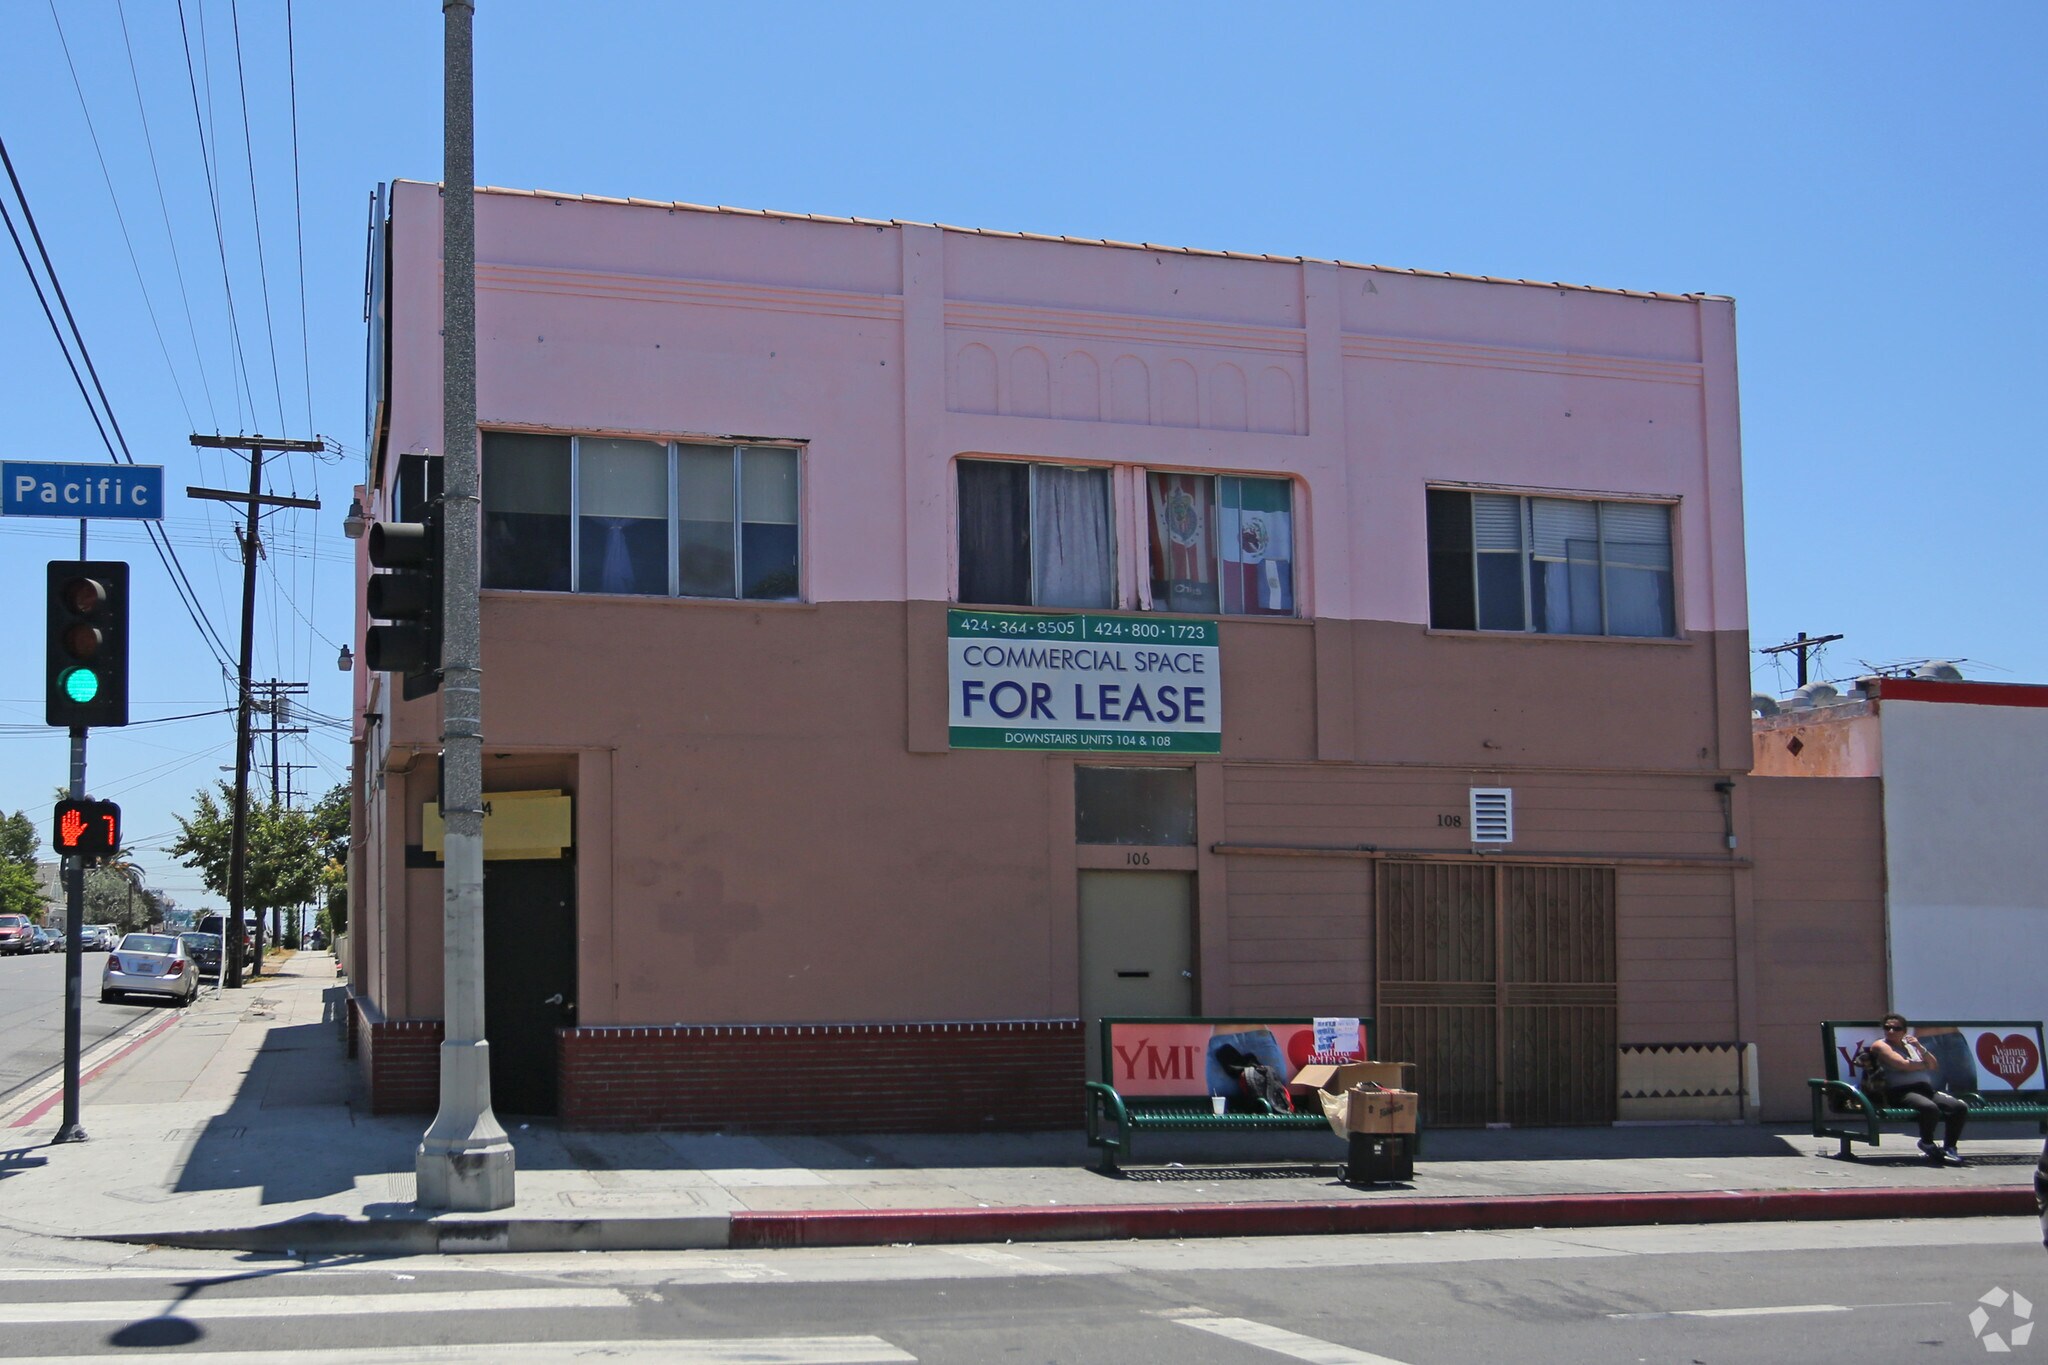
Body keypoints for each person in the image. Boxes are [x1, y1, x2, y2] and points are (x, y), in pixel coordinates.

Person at [1869, 1013, 1967, 1165]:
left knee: (1958, 1107)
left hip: (1924, 1089)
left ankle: (1950, 1147)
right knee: (1929, 1108)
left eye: (1896, 1028)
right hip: (1900, 1091)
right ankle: (1927, 1143)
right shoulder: (1880, 1045)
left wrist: (1919, 1047)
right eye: (1887, 1028)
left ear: (1904, 1031)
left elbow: (1934, 1065)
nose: (1891, 1031)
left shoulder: (1912, 1046)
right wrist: (1924, 1065)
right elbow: (1902, 1065)